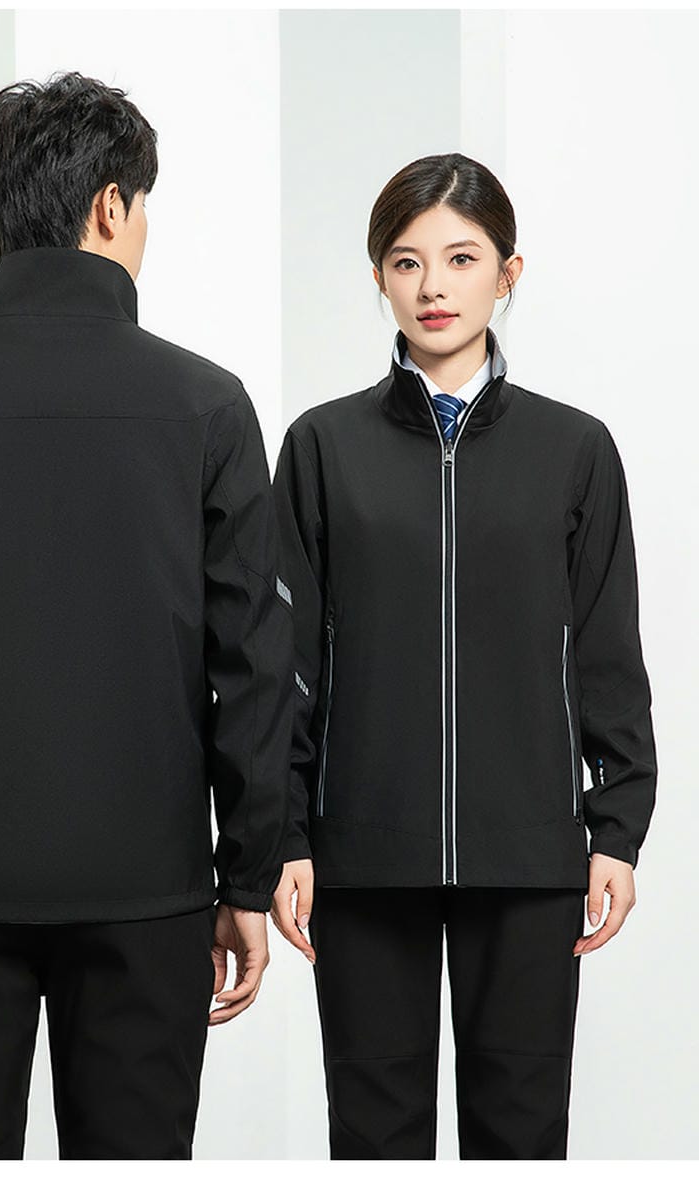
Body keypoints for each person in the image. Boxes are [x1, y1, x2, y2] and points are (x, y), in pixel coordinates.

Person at [0, 70, 293, 1160]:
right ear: (111, 206)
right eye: (143, 205)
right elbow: (254, 668)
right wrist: (246, 875)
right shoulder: (207, 405)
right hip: (147, 889)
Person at [269, 152, 657, 1160]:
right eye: (406, 262)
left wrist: (615, 830)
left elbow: (607, 652)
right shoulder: (322, 447)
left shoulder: (573, 450)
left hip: (528, 856)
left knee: (521, 1145)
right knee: (374, 1143)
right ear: (378, 278)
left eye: (460, 258)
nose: (432, 286)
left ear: (507, 273)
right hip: (364, 856)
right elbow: (287, 664)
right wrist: (286, 834)